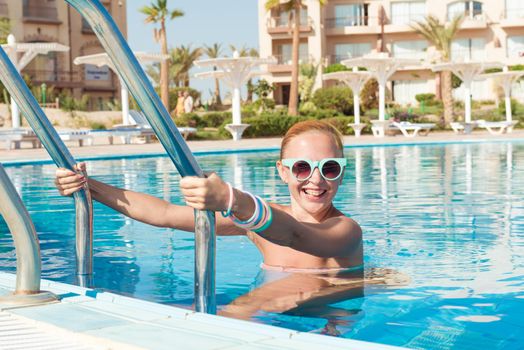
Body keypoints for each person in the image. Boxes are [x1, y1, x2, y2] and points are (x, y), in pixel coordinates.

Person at [54, 120, 373, 325]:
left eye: (329, 168)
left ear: (342, 172)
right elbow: (165, 214)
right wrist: (88, 186)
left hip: (327, 329)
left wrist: (233, 200)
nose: (316, 180)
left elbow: (296, 235)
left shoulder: (346, 231)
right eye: (302, 168)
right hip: (271, 314)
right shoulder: (260, 223)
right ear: (283, 171)